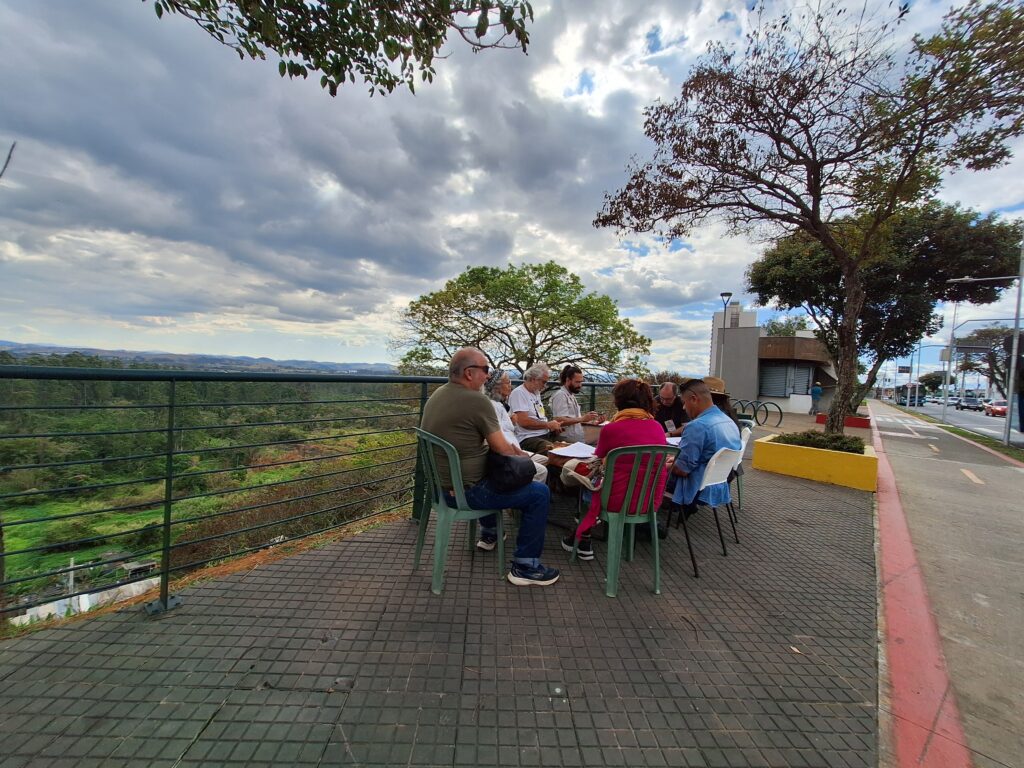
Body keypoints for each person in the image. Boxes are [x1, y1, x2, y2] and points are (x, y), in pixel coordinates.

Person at [420, 348, 559, 586]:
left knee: (495, 473)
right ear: (468, 373)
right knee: (539, 493)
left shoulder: (438, 394)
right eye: (485, 370)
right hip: (466, 492)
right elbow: (503, 448)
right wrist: (526, 459)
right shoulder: (477, 400)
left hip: (440, 489)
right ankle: (526, 566)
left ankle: (492, 532)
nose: (488, 375)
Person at [563, 378, 669, 560]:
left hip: (615, 500)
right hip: (648, 501)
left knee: (586, 482)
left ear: (619, 400)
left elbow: (600, 457)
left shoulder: (611, 429)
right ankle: (585, 534)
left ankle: (584, 535)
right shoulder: (657, 428)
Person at [670, 378, 742, 517]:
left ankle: (647, 525)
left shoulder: (697, 426)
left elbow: (682, 470)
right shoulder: (729, 421)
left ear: (694, 399)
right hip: (720, 483)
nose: (684, 408)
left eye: (684, 403)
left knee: (646, 475)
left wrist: (665, 463)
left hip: (696, 487)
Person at [483, 369, 548, 483]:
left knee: (545, 460)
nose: (510, 386)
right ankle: (527, 494)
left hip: (515, 449)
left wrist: (511, 422)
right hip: (508, 454)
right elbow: (498, 437)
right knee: (541, 471)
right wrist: (517, 453)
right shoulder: (493, 406)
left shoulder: (500, 404)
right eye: (507, 382)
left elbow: (502, 427)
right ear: (497, 387)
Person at [509, 363, 562, 453]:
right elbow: (523, 422)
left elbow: (538, 417)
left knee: (571, 445)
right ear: (533, 379)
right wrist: (548, 425)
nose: (545, 385)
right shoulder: (519, 393)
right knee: (557, 453)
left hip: (544, 434)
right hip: (528, 438)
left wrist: (553, 426)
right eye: (544, 382)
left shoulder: (536, 393)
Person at [549, 364, 600, 443]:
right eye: (577, 382)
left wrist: (592, 421)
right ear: (568, 380)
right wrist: (582, 418)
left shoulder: (570, 395)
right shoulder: (561, 395)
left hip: (576, 435)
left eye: (581, 382)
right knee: (604, 438)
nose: (580, 385)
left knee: (605, 433)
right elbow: (558, 420)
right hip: (567, 438)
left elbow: (575, 419)